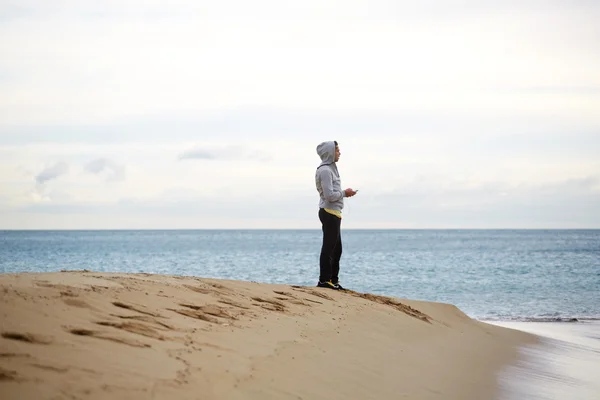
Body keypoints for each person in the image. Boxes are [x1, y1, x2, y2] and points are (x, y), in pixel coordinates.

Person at [315, 141, 357, 290]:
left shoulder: (332, 169)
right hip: (328, 212)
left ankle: (333, 280)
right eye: (337, 150)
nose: (340, 153)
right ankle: (324, 280)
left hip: (334, 213)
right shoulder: (325, 170)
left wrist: (344, 194)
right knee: (329, 248)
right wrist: (345, 193)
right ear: (330, 152)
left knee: (336, 250)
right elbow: (329, 196)